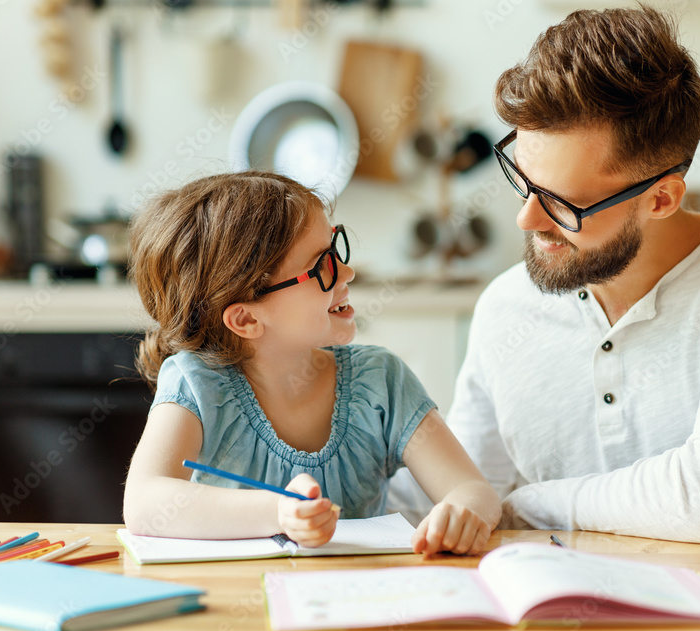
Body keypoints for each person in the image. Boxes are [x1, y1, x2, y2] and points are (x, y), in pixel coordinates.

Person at [436, 7, 700, 545]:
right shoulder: (505, 306)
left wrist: (534, 504)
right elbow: (458, 494)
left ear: (661, 198)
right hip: (550, 612)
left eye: (563, 203)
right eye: (523, 182)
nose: (526, 219)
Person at [123, 171, 501, 556]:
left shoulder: (382, 381)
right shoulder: (197, 383)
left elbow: (474, 490)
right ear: (247, 320)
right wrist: (280, 512)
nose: (347, 272)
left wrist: (463, 512)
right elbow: (143, 503)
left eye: (336, 250)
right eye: (322, 266)